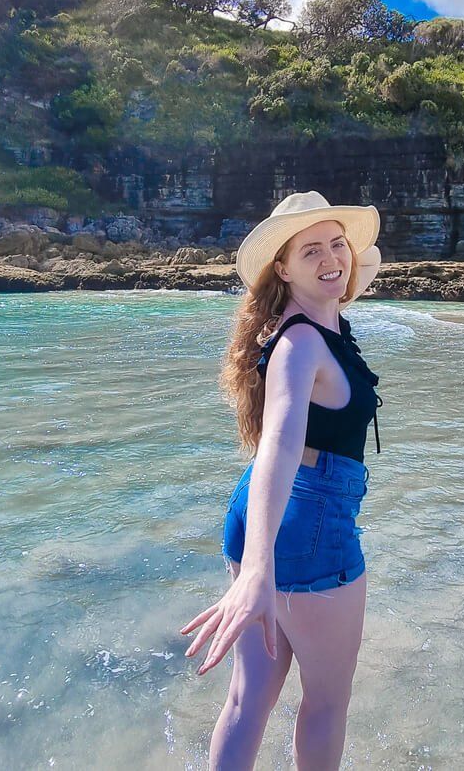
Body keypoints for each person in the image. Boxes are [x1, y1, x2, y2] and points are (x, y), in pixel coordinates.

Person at [179, 190, 384, 770]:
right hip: (309, 524)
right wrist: (261, 572)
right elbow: (280, 443)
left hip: (259, 514)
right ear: (284, 268)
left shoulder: (312, 326)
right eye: (311, 249)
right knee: (325, 703)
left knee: (249, 698)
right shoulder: (299, 344)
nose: (332, 258)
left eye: (338, 244)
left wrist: (257, 562)